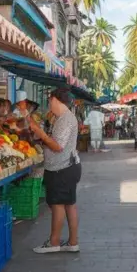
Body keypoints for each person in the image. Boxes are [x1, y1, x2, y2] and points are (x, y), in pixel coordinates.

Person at [27, 88, 82, 254]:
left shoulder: (65, 119)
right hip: (65, 167)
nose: (48, 104)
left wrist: (40, 133)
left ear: (55, 100)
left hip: (62, 168)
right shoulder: (61, 118)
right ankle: (72, 242)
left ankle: (54, 242)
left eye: (49, 100)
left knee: (58, 205)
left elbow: (58, 146)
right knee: (69, 204)